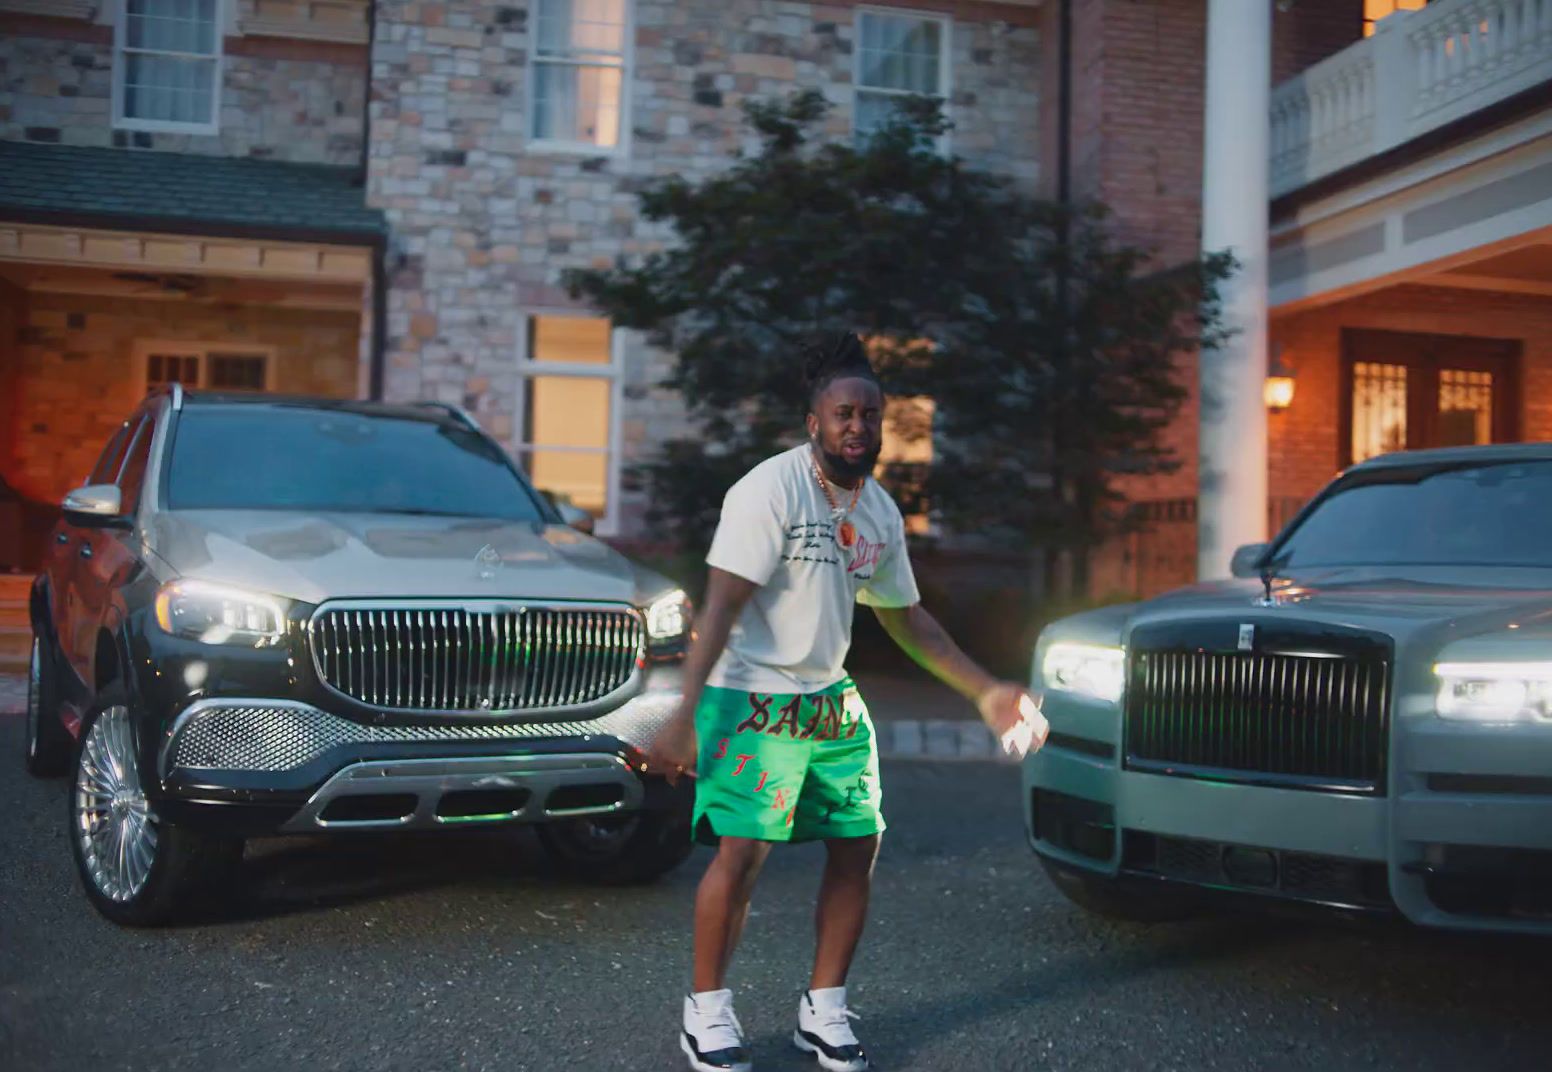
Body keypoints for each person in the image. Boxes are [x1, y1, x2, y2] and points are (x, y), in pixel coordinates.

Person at [649, 332, 1048, 1072]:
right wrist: (683, 716)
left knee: (858, 844)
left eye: (870, 414)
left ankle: (823, 1008)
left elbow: (906, 619)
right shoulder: (769, 491)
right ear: (815, 422)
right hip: (752, 696)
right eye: (844, 413)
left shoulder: (879, 513)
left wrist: (987, 689)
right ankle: (705, 1011)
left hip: (828, 698)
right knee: (744, 852)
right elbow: (723, 605)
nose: (858, 426)